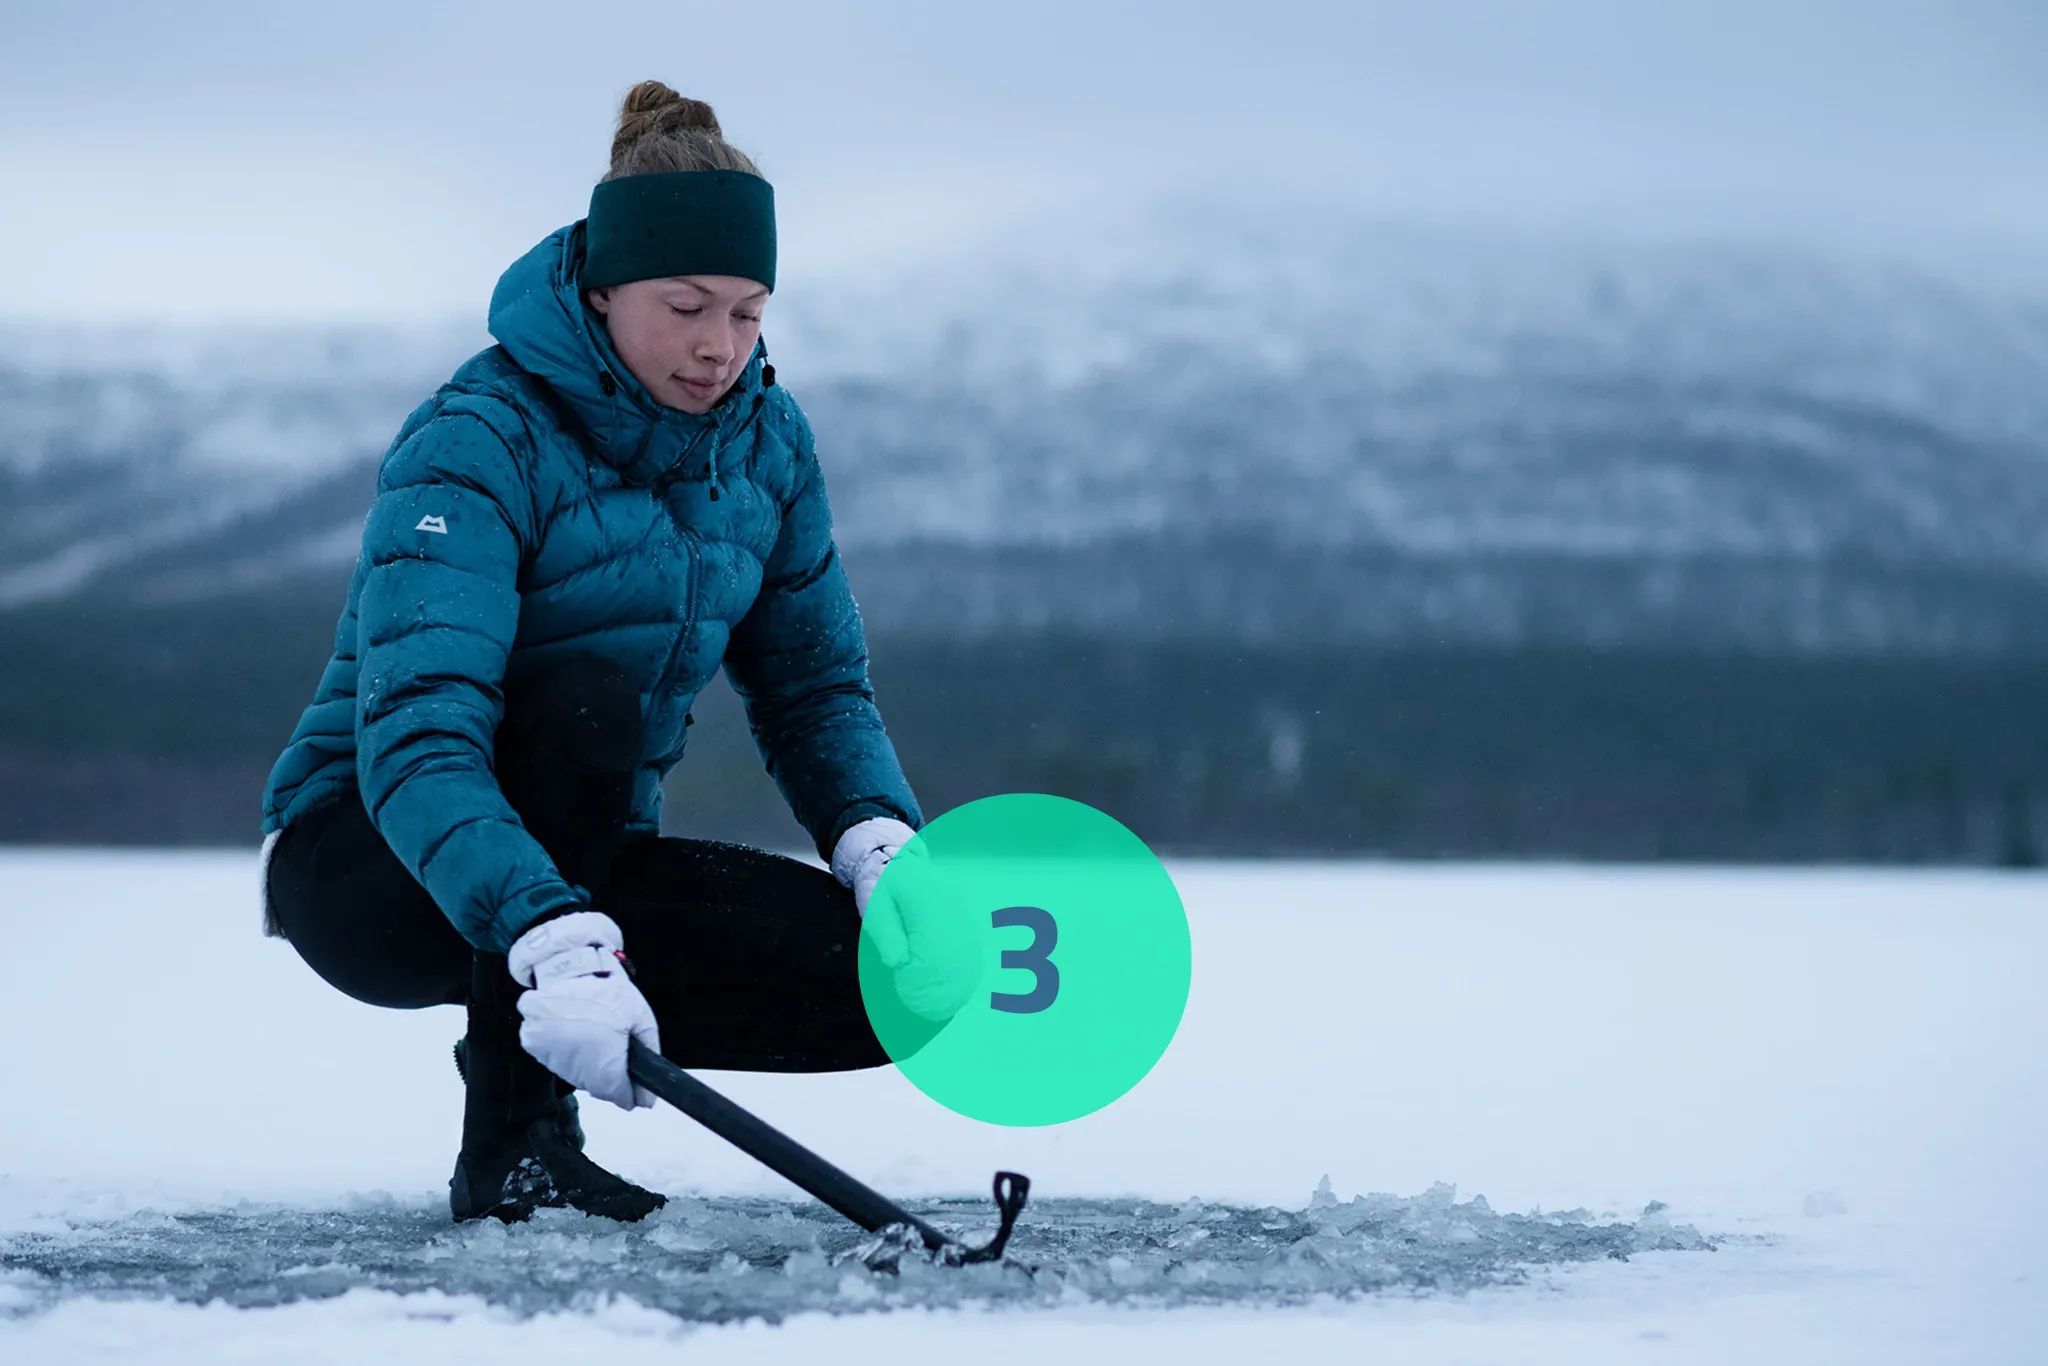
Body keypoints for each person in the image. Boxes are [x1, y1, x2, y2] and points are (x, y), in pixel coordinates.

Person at [259, 81, 977, 1225]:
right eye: (686, 305)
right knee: (582, 703)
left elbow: (812, 689)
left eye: (747, 313)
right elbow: (419, 734)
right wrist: (548, 938)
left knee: (894, 990)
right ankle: (517, 1146)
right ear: (599, 292)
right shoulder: (475, 437)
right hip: (369, 865)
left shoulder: (767, 446)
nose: (719, 346)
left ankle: (558, 993)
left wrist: (878, 842)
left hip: (580, 860)